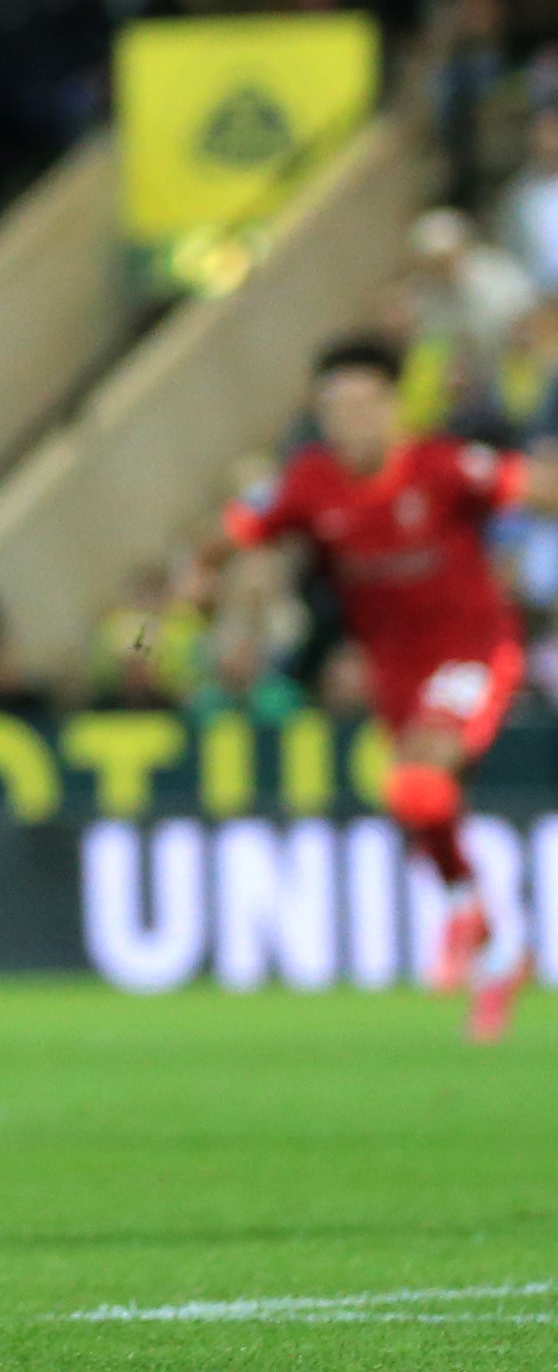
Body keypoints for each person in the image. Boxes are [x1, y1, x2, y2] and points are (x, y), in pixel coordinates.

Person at [216, 334, 555, 1043]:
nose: (353, 420)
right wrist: (165, 626)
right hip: (394, 671)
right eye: (337, 407)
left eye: (367, 404)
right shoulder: (309, 484)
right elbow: (234, 539)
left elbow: (533, 487)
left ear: (394, 408)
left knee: (426, 769)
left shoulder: (440, 465)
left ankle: (469, 919)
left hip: (473, 650)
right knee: (417, 795)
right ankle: (493, 941)